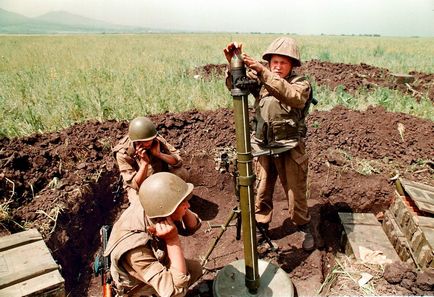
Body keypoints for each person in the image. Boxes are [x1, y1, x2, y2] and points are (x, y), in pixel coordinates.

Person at [224, 37, 315, 251]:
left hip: (290, 148)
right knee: (261, 191)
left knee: (296, 194)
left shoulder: (301, 84)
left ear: (292, 65)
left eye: (283, 62)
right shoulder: (262, 82)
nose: (278, 66)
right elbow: (236, 86)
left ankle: (304, 227)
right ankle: (261, 226)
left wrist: (264, 73)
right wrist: (233, 65)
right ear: (269, 62)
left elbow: (292, 96)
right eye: (274, 61)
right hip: (263, 147)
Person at [104, 172, 203, 297]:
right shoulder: (135, 250)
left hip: (157, 260)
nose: (188, 205)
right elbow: (174, 292)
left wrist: (179, 202)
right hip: (137, 286)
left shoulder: (155, 204)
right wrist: (172, 240)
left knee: (194, 269)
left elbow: (193, 227)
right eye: (183, 203)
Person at [113, 116, 188, 204]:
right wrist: (144, 163)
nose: (149, 143)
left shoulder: (155, 138)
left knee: (180, 173)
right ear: (137, 141)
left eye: (151, 140)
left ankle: (175, 203)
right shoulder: (123, 153)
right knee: (141, 205)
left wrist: (159, 154)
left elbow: (178, 162)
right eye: (145, 141)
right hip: (142, 186)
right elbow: (135, 185)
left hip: (160, 177)